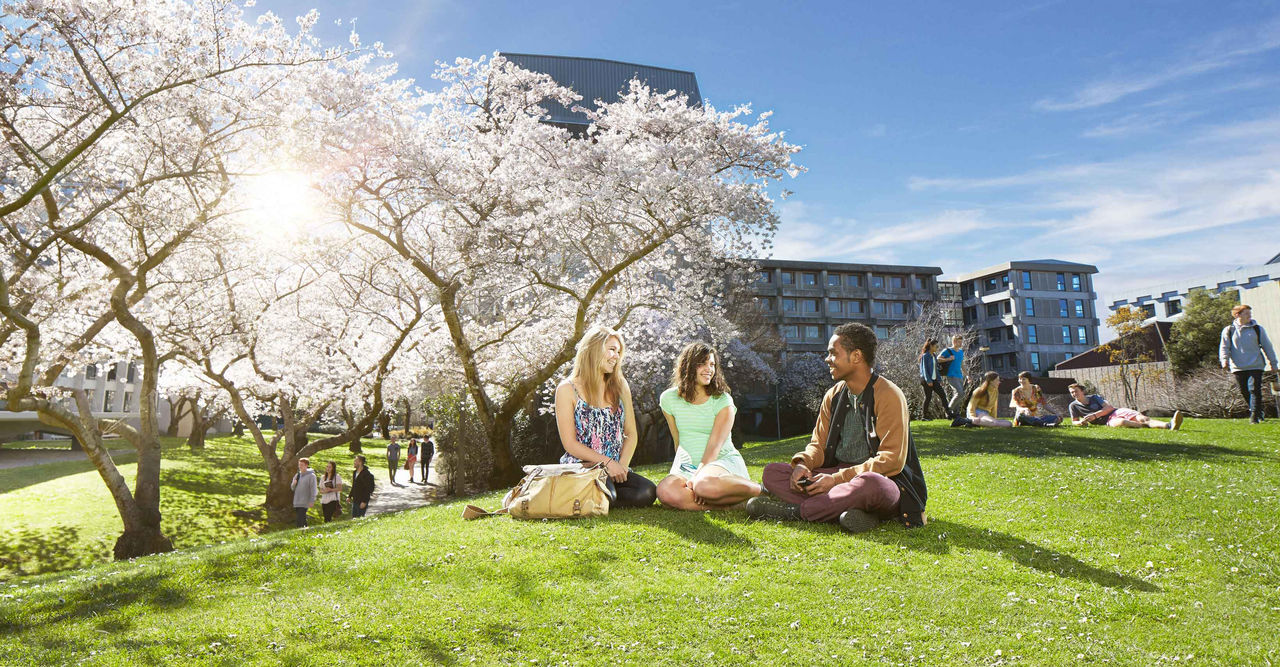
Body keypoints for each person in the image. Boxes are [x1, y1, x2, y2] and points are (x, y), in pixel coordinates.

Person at [748, 322, 928, 533]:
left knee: (871, 486)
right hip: (837, 476)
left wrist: (835, 480)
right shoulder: (833, 395)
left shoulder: (889, 394)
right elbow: (818, 444)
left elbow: (891, 461)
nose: (827, 359)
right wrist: (803, 465)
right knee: (773, 473)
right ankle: (855, 513)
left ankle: (795, 511)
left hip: (883, 481)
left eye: (833, 353)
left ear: (856, 356)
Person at [554, 324, 657, 508]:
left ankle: (603, 497)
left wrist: (621, 467)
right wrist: (606, 463)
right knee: (608, 492)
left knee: (647, 491)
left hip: (614, 467)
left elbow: (631, 433)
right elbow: (570, 444)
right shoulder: (567, 389)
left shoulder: (620, 386)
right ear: (593, 350)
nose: (616, 356)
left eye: (618, 351)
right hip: (583, 467)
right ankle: (596, 495)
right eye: (611, 350)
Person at [655, 342, 762, 510]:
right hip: (689, 466)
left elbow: (715, 446)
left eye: (712, 364)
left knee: (704, 486)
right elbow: (678, 442)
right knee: (665, 491)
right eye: (702, 364)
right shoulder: (668, 399)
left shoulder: (722, 401)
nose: (709, 369)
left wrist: (698, 475)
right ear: (688, 366)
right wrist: (684, 473)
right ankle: (728, 506)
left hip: (720, 463)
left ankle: (760, 490)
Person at [1219, 304, 1277, 424]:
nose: (1249, 315)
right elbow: (1224, 347)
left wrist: (1273, 363)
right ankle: (1258, 411)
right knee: (1244, 391)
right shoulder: (1229, 330)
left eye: (1250, 313)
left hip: (1256, 365)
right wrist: (1224, 360)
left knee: (1254, 390)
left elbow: (1267, 346)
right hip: (1238, 366)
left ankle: (1254, 417)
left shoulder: (1257, 329)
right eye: (1246, 313)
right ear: (1237, 315)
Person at [1067, 384, 1182, 429]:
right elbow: (1074, 421)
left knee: (1143, 418)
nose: (1074, 394)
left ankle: (1169, 425)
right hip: (1106, 422)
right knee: (1122, 422)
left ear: (1082, 391)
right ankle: (1145, 426)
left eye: (1076, 391)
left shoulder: (1094, 397)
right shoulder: (1073, 406)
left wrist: (1094, 415)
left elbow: (1109, 408)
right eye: (1072, 392)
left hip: (1114, 412)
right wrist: (1081, 423)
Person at [917, 338, 950, 420]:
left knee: (942, 395)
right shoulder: (925, 356)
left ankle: (949, 413)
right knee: (928, 397)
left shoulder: (934, 356)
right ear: (931, 346)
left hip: (934, 380)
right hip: (926, 380)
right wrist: (928, 380)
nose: (937, 348)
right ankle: (924, 416)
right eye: (936, 346)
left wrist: (939, 380)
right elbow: (924, 369)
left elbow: (936, 369)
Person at [936, 334, 967, 418]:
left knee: (957, 395)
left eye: (961, 342)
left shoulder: (961, 352)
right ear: (954, 341)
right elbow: (938, 359)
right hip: (951, 375)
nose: (961, 344)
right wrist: (948, 359)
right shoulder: (947, 351)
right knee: (960, 393)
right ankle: (948, 410)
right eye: (959, 342)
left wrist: (967, 375)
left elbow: (962, 364)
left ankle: (955, 414)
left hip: (960, 376)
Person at [290, 458, 318, 528]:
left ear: (306, 465)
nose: (300, 466)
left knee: (300, 519)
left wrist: (312, 500)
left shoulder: (312, 476)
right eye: (299, 465)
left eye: (301, 465)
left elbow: (313, 489)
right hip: (297, 501)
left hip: (305, 501)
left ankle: (300, 533)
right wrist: (293, 483)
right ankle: (304, 533)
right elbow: (292, 488)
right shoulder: (297, 475)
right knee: (301, 519)